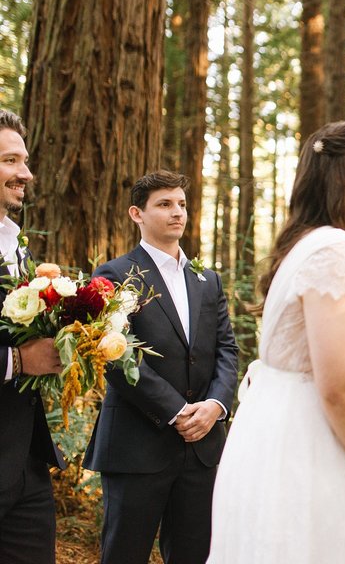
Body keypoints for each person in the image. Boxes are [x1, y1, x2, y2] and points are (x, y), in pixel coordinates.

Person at [208, 122, 345, 564]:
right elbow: (338, 385)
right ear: (343, 176)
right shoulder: (333, 250)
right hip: (300, 448)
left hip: (339, 447)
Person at [84, 170, 240, 564]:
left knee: (194, 555)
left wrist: (215, 407)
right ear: (137, 213)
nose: (177, 213)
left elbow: (226, 349)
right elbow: (116, 356)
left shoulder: (207, 279)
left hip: (202, 447)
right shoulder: (114, 275)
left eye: (182, 204)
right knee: (124, 554)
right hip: (137, 445)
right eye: (165, 204)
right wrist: (176, 411)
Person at [0, 110, 64, 564]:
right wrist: (20, 361)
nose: (26, 173)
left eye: (24, 161)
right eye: (10, 161)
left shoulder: (14, 243)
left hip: (23, 458)